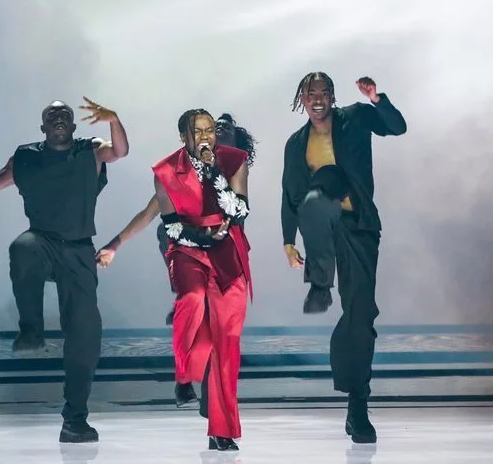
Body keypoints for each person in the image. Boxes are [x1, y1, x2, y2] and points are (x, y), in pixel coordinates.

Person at [0, 97, 129, 444]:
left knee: (85, 334)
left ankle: (75, 419)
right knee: (23, 247)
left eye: (65, 114)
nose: (59, 117)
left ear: (74, 125)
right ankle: (31, 329)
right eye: (53, 115)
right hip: (42, 242)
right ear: (43, 127)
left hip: (78, 250)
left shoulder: (89, 150)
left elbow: (119, 151)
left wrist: (113, 119)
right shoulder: (26, 157)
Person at [280, 73, 406, 444]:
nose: (318, 99)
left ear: (333, 97)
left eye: (324, 93)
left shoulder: (356, 117)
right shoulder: (296, 143)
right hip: (322, 223)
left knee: (361, 313)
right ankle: (320, 280)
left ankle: (357, 405)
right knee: (321, 188)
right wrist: (288, 241)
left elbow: (397, 127)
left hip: (358, 225)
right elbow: (289, 195)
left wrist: (377, 99)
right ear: (302, 99)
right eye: (311, 93)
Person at [143, 109, 253, 451]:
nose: (205, 137)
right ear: (183, 137)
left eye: (209, 130)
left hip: (228, 254)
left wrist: (216, 172)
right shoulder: (165, 170)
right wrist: (203, 238)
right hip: (189, 249)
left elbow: (239, 211)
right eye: (198, 131)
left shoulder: (234, 160)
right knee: (192, 302)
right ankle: (184, 375)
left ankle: (222, 431)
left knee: (227, 345)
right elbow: (171, 227)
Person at [97, 113, 256, 332]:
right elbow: (149, 213)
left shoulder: (236, 169)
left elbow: (238, 213)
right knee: (167, 230)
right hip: (194, 247)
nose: (219, 130)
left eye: (226, 128)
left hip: (225, 254)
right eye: (215, 127)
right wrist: (115, 244)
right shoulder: (184, 171)